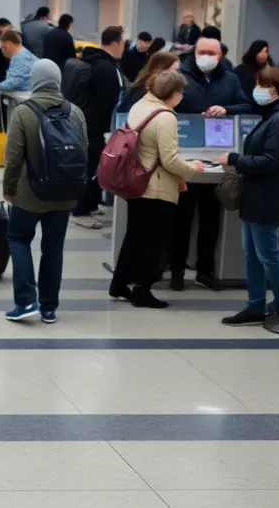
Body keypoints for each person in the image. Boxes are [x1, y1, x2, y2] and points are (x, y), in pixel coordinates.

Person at [109, 70, 205, 308]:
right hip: (156, 187)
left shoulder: (140, 105)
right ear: (172, 94)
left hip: (135, 182)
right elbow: (170, 160)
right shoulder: (166, 117)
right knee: (154, 241)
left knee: (134, 235)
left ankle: (119, 283)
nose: (181, 97)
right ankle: (142, 290)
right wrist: (193, 168)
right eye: (180, 93)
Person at [217, 66, 279, 325]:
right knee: (252, 254)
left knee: (268, 254)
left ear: (273, 89)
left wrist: (236, 160)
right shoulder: (272, 115)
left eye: (260, 84)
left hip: (269, 195)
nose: (256, 90)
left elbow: (271, 161)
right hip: (255, 194)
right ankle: (255, 305)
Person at [2, 59, 87, 323]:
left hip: (30, 194)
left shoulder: (24, 112)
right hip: (64, 194)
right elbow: (83, 150)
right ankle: (49, 308)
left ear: (34, 80)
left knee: (18, 239)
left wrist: (9, 190)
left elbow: (14, 157)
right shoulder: (75, 112)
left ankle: (26, 301)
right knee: (54, 248)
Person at [172, 35, 254, 290]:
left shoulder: (229, 78)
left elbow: (246, 104)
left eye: (212, 52)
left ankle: (205, 269)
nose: (207, 56)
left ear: (220, 55)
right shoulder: (181, 75)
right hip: (185, 153)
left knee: (210, 218)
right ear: (194, 52)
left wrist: (226, 109)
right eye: (202, 51)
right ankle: (176, 269)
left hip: (218, 154)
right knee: (182, 217)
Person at [64, 26, 127, 227]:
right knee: (90, 166)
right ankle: (81, 211)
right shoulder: (106, 68)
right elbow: (108, 100)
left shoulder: (93, 60)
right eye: (123, 42)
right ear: (116, 43)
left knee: (92, 165)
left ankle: (89, 205)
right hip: (94, 126)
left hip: (86, 124)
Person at [0, 29, 37, 95]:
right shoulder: (23, 54)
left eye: (3, 48)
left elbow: (16, 81)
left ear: (8, 44)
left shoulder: (20, 57)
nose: (3, 52)